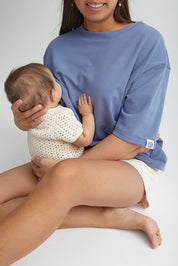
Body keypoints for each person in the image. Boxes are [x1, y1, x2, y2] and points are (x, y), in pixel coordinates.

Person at [0, 0, 170, 264]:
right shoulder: (58, 49)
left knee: (66, 176)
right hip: (73, 155)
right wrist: (25, 119)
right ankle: (103, 215)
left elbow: (132, 141)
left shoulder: (147, 42)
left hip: (129, 165)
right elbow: (58, 119)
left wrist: (60, 168)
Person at [4, 63, 95, 161]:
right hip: (65, 170)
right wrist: (87, 114)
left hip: (41, 170)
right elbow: (85, 139)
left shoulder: (33, 121)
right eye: (55, 81)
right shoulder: (59, 116)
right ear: (52, 93)